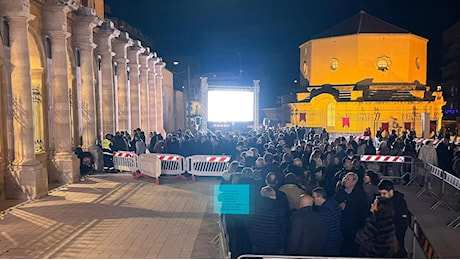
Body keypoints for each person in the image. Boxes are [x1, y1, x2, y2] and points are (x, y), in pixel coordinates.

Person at [333, 172, 369, 257]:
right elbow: (333, 203)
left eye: (348, 179)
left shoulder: (360, 195)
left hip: (354, 227)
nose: (345, 180)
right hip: (341, 226)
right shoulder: (340, 192)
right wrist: (339, 206)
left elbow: (363, 210)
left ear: (354, 182)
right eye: (345, 178)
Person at [247, 186, 290, 255]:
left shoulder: (253, 209)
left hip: (257, 243)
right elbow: (283, 228)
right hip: (275, 244)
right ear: (271, 196)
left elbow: (249, 226)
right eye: (274, 195)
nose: (275, 197)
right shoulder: (279, 209)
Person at [378, 179, 409, 258]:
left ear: (391, 192)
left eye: (384, 193)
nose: (382, 196)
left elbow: (402, 224)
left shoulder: (400, 204)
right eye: (380, 193)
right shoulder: (382, 200)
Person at [312, 187, 343, 256]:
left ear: (319, 197)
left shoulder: (324, 212)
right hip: (337, 239)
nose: (313, 200)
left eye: (314, 197)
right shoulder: (332, 203)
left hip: (330, 242)